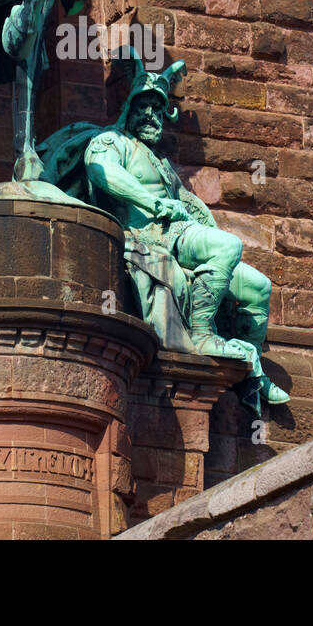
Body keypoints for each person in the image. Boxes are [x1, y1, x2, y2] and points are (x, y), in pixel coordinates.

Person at [40, 52, 290, 407]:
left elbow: (189, 205)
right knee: (228, 247)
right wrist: (153, 203)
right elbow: (102, 172)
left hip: (179, 234)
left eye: (157, 110)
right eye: (144, 107)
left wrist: (196, 214)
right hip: (149, 236)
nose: (151, 115)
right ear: (130, 108)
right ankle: (202, 336)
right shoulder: (112, 142)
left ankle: (253, 372)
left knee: (257, 288)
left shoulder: (163, 164)